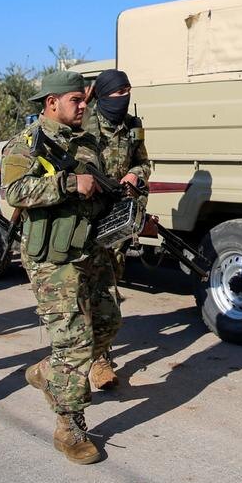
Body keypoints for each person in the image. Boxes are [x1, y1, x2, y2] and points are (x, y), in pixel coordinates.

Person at [1, 70, 116, 465]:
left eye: (85, 100)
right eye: (76, 101)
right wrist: (68, 184)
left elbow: (98, 190)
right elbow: (13, 192)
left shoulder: (87, 142)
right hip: (52, 257)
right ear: (52, 103)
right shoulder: (27, 143)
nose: (85, 106)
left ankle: (49, 370)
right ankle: (69, 426)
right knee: (74, 342)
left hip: (91, 250)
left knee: (107, 323)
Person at [80, 67, 151, 389]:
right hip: (83, 218)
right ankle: (87, 357)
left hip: (116, 219)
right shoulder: (82, 125)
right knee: (84, 289)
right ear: (104, 95)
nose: (124, 99)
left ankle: (99, 353)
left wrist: (135, 175)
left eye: (128, 93)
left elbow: (144, 162)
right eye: (118, 94)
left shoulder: (133, 126)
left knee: (108, 289)